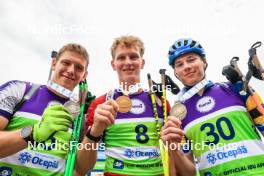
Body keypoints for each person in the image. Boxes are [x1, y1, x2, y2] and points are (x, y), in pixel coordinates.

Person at [161, 38, 264, 176]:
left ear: (204, 62)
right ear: (175, 73)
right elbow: (189, 173)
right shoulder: (177, 114)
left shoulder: (237, 88)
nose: (186, 66)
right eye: (179, 64)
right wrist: (173, 149)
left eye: (191, 59)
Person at [0, 43, 97, 176]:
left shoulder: (80, 116)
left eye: (78, 68)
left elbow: (78, 171)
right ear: (54, 63)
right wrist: (33, 133)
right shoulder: (18, 89)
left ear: (84, 75)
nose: (71, 70)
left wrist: (96, 132)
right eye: (66, 63)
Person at [81, 35, 169, 176]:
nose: (128, 62)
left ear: (142, 62)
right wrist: (95, 131)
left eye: (133, 57)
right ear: (113, 64)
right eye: (121, 58)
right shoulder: (100, 103)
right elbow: (82, 168)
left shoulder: (161, 101)